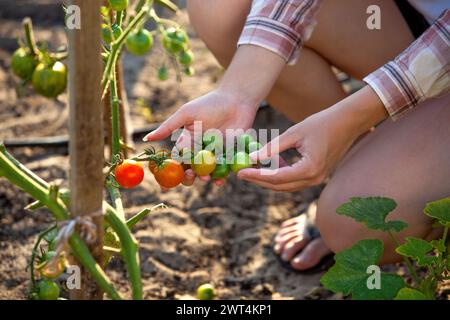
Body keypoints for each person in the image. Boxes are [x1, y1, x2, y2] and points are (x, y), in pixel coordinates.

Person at [144, 1, 450, 272]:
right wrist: (237, 92)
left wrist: (350, 118)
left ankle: (395, 171)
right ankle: (363, 159)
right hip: (417, 26)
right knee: (222, 8)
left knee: (354, 226)